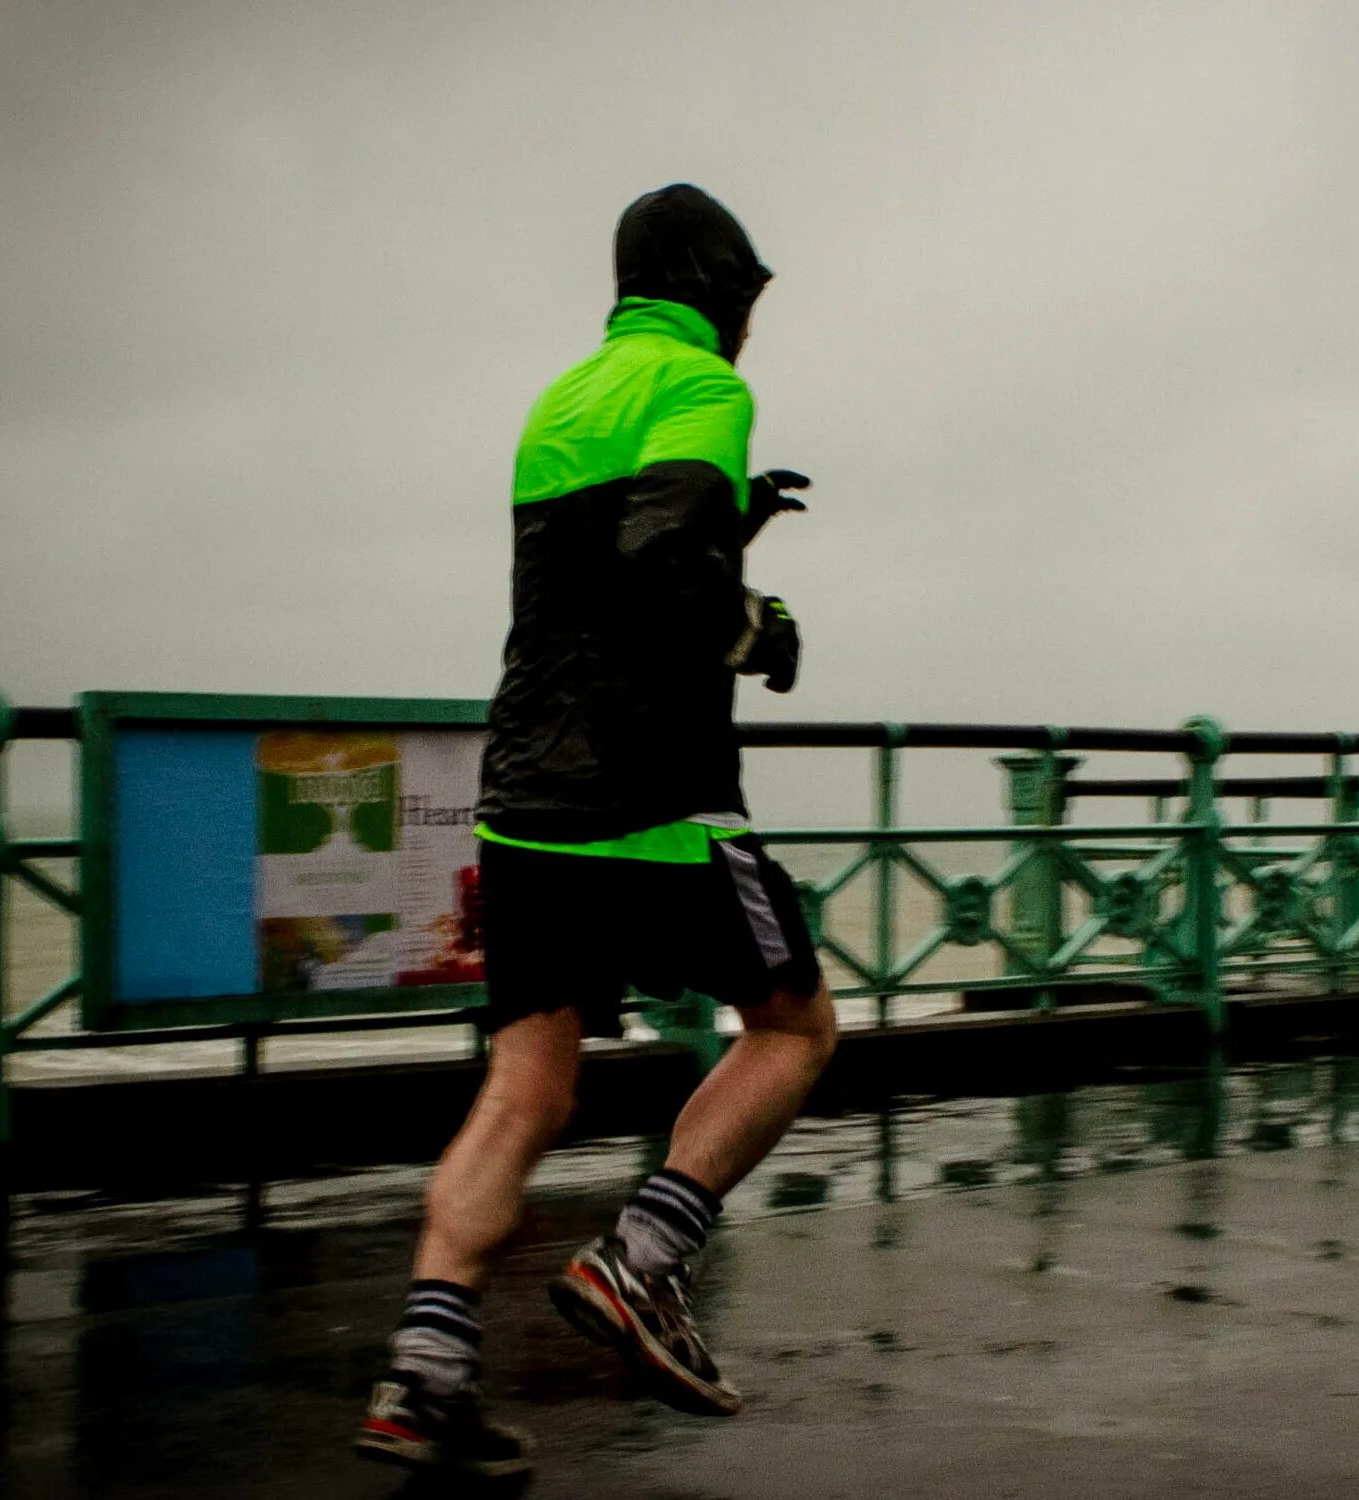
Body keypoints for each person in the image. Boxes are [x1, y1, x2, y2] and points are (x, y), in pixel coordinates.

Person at [355, 183, 837, 1477]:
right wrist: (759, 628)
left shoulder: (564, 398)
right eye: (747, 289)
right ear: (710, 279)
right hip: (653, 799)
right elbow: (662, 570)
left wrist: (727, 528)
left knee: (528, 1085)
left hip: (525, 797)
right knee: (794, 1026)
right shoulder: (705, 391)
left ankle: (428, 1371)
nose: (750, 319)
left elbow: (595, 566)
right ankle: (644, 1257)